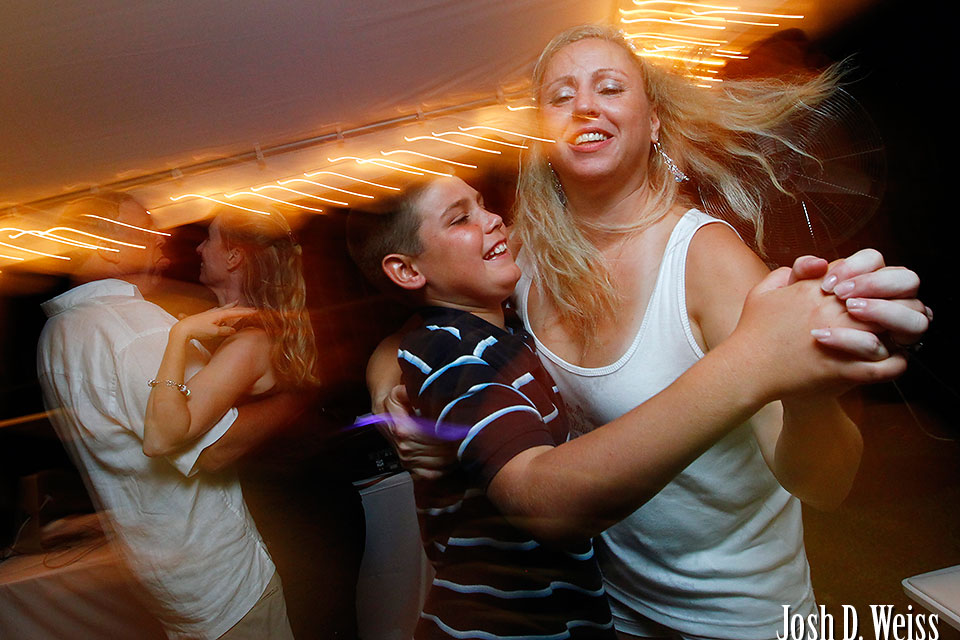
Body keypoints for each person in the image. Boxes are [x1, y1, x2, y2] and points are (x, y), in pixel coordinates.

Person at [368, 24, 931, 640]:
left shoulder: (706, 261)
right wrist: (392, 394)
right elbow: (422, 327)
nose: (585, 105)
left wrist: (806, 393)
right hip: (611, 610)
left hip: (737, 618)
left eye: (610, 88)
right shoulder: (530, 255)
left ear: (654, 122)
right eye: (561, 96)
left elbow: (826, 486)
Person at [348, 177, 617, 639]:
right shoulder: (454, 353)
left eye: (483, 204)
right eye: (460, 219)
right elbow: (541, 498)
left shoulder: (495, 329)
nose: (493, 219)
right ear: (407, 271)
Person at [37, 192, 298, 640]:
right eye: (144, 229)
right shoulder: (135, 328)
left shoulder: (57, 332)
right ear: (108, 246)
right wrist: (294, 403)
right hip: (220, 580)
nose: (161, 238)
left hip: (162, 578)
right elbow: (214, 448)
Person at [144, 202, 365, 640]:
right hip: (316, 511)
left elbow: (164, 435)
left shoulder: (248, 341)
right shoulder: (262, 325)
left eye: (209, 239)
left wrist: (179, 335)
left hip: (300, 523)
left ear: (234, 256)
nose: (199, 249)